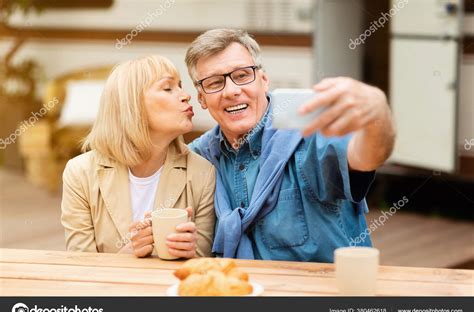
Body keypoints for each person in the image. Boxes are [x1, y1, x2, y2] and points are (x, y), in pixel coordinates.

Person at [185, 29, 396, 262]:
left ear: (264, 81)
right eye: (214, 83)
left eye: (242, 76)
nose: (232, 91)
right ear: (202, 99)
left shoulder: (310, 131)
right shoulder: (199, 157)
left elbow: (369, 157)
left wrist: (378, 115)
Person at [61, 55, 216, 258]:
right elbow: (79, 266)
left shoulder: (202, 173)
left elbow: (203, 263)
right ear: (132, 105)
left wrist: (190, 254)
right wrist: (128, 256)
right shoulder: (80, 173)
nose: (186, 95)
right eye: (168, 88)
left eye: (180, 86)